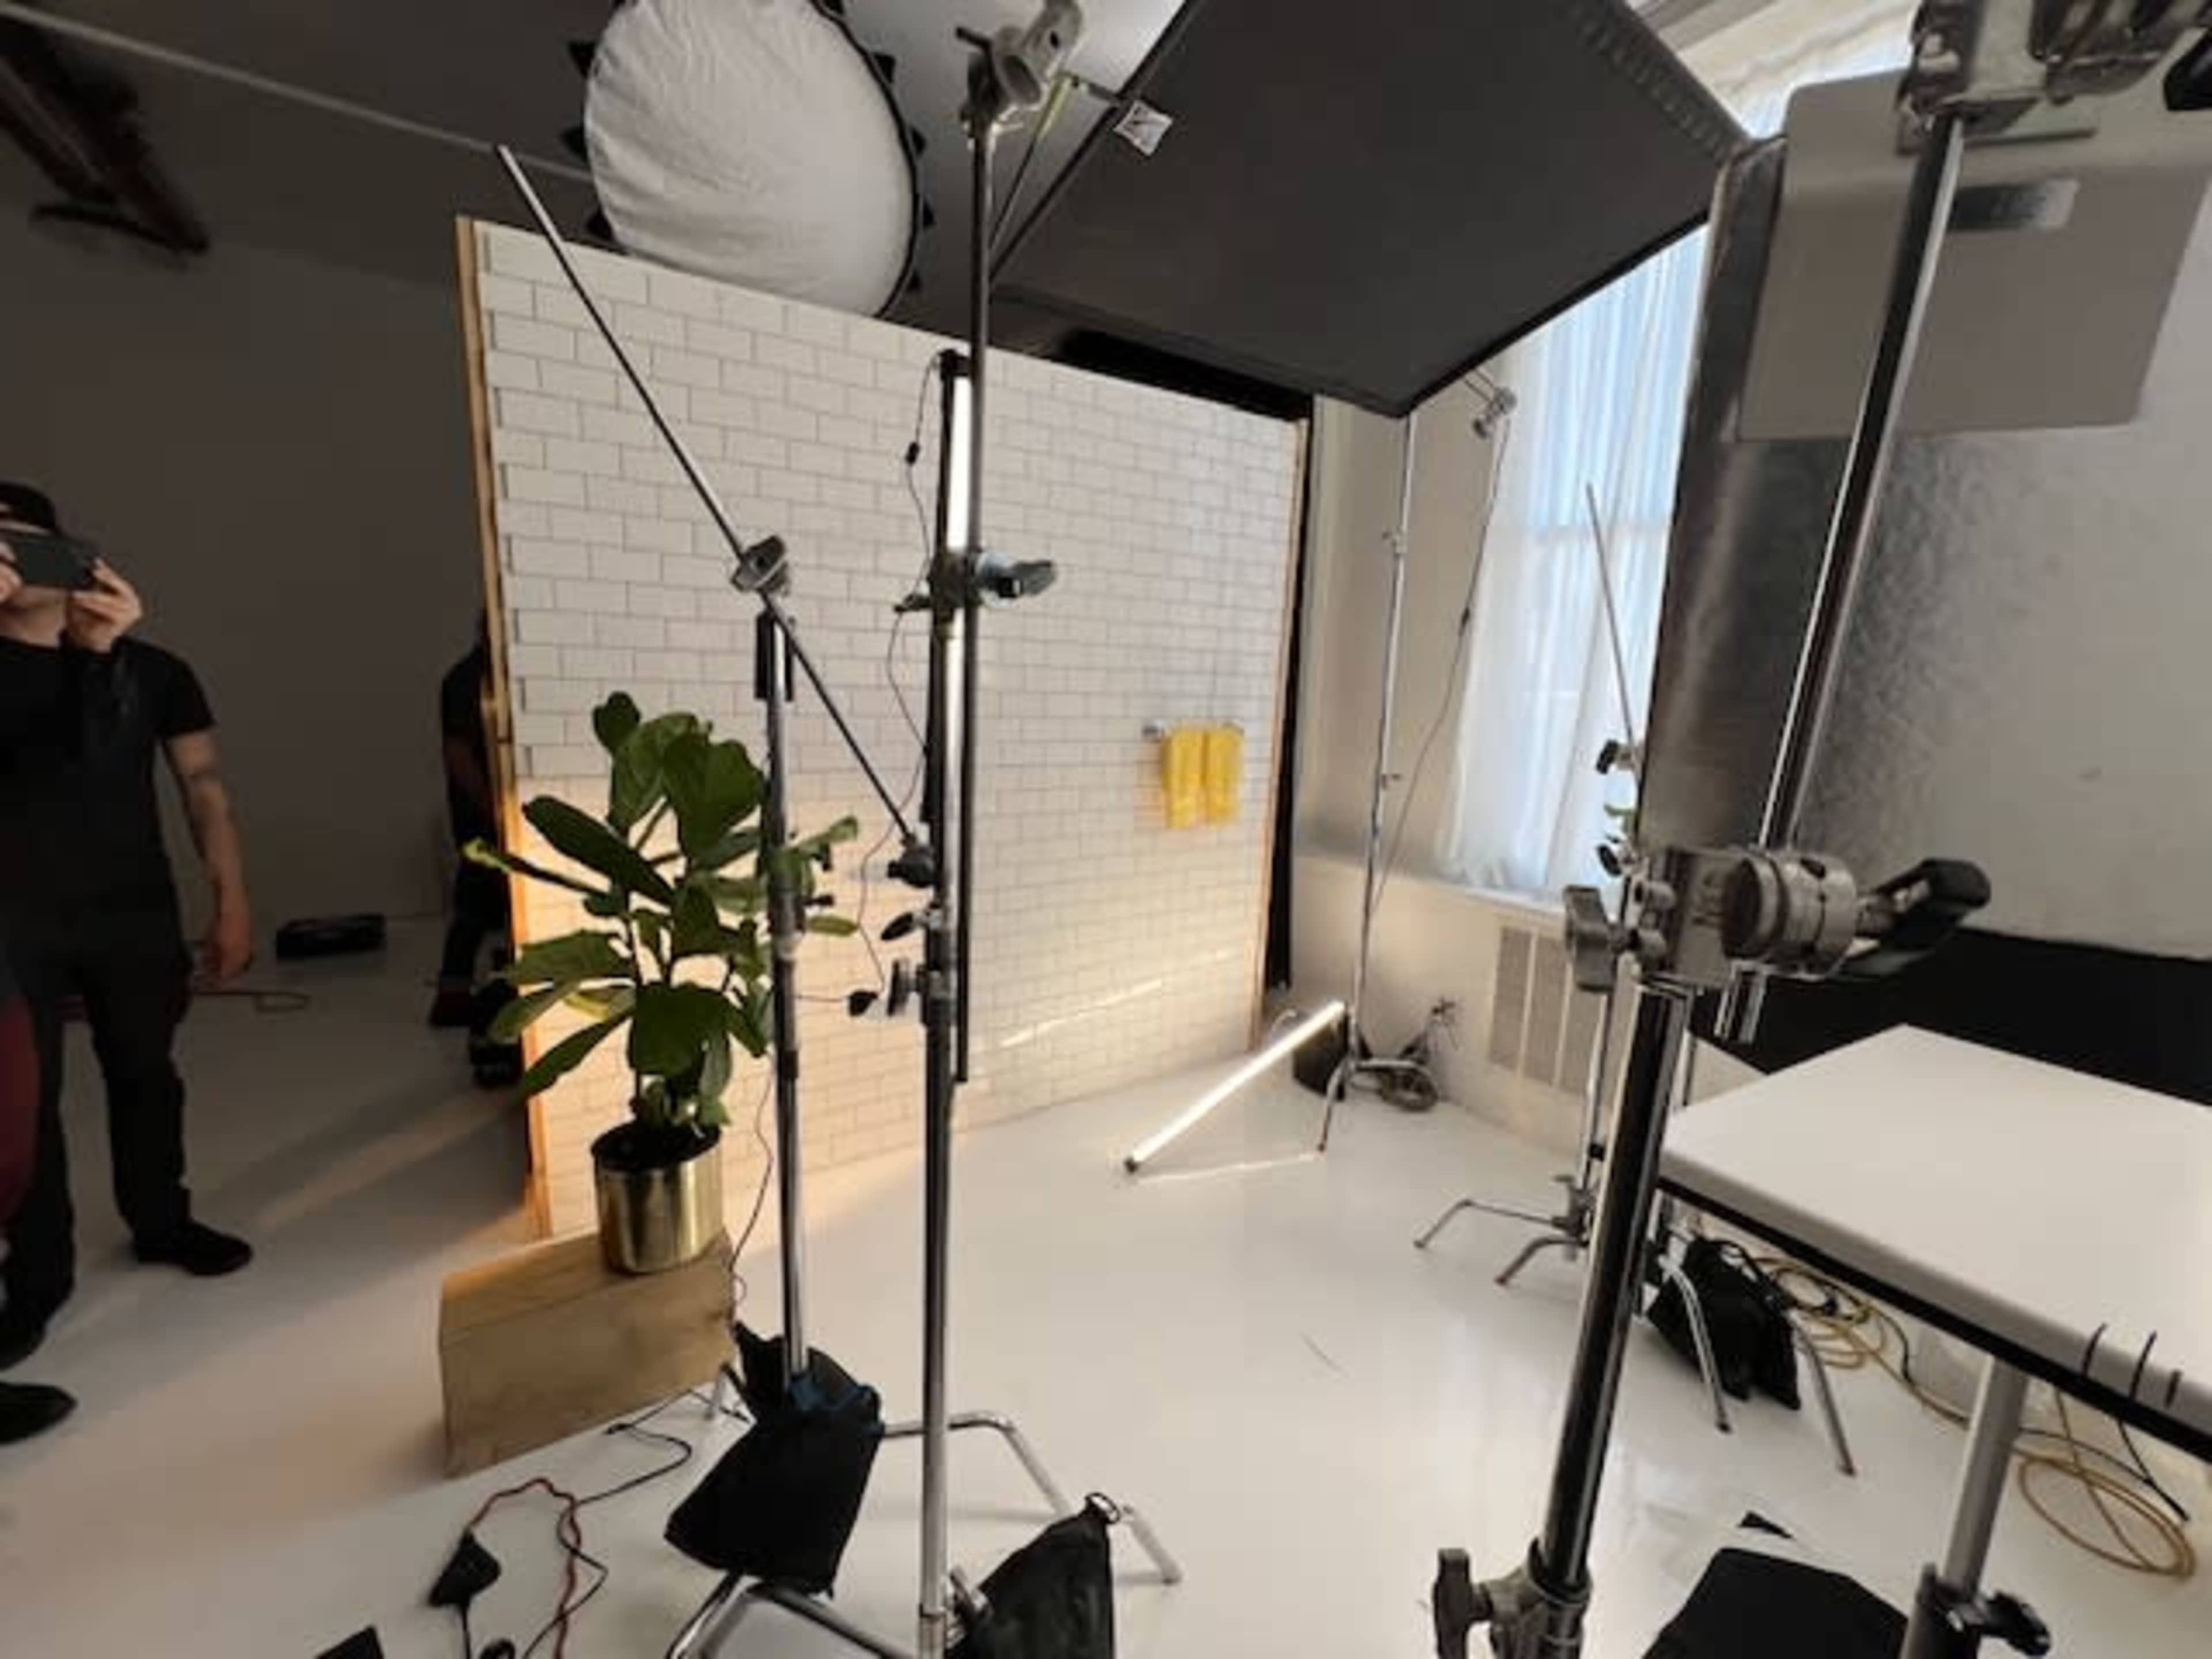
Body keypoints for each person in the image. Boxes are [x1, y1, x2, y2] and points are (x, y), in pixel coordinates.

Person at [0, 483, 253, 1373]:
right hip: (12, 922)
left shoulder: (151, 669)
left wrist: (231, 896)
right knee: (25, 1109)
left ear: (69, 554)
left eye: (20, 541)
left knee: (147, 1072)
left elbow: (204, 792)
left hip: (130, 908)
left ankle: (162, 1219)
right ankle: (36, 1278)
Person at [429, 620, 509, 1027]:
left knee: (499, 901)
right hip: (479, 816)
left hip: (493, 809)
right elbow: (457, 753)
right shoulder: (465, 681)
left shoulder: (496, 677)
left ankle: (492, 982)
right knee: (476, 900)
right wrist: (491, 806)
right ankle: (453, 993)